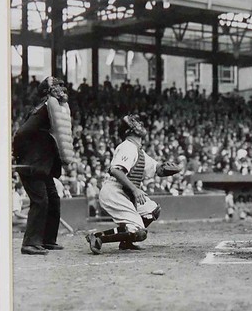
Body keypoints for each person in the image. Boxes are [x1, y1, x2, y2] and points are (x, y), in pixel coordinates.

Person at [84, 114, 179, 253]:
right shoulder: (127, 147)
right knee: (139, 232)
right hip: (114, 191)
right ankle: (98, 237)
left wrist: (167, 168)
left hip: (126, 192)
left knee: (152, 210)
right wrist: (135, 190)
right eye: (135, 124)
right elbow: (116, 170)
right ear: (129, 131)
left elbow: (156, 168)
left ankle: (126, 242)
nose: (140, 125)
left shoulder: (138, 150)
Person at [11, 76, 74, 255]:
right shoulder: (43, 110)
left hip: (43, 166)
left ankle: (47, 240)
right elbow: (21, 133)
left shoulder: (52, 110)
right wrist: (20, 156)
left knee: (53, 199)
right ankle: (30, 243)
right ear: (48, 92)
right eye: (57, 86)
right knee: (40, 201)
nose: (62, 89)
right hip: (32, 165)